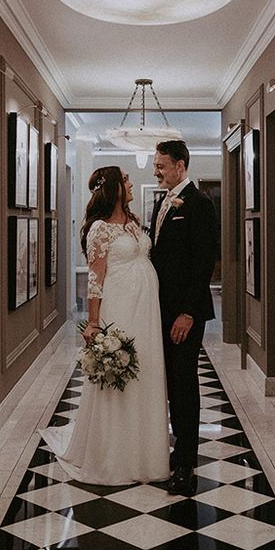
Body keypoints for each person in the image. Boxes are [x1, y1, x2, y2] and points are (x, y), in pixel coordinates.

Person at [40, 166, 169, 484]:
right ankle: (114, 454)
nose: (131, 183)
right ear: (113, 187)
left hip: (146, 309)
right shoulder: (99, 229)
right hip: (120, 304)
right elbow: (95, 280)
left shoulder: (133, 221)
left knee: (146, 371)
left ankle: (146, 451)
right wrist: (94, 323)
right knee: (123, 370)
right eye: (125, 180)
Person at [150, 140, 218, 495]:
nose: (156, 171)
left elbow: (203, 263)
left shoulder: (199, 204)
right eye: (155, 164)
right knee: (170, 384)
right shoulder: (162, 203)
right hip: (160, 312)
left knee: (184, 384)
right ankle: (174, 453)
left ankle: (187, 464)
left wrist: (188, 313)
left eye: (161, 165)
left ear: (180, 165)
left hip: (184, 314)